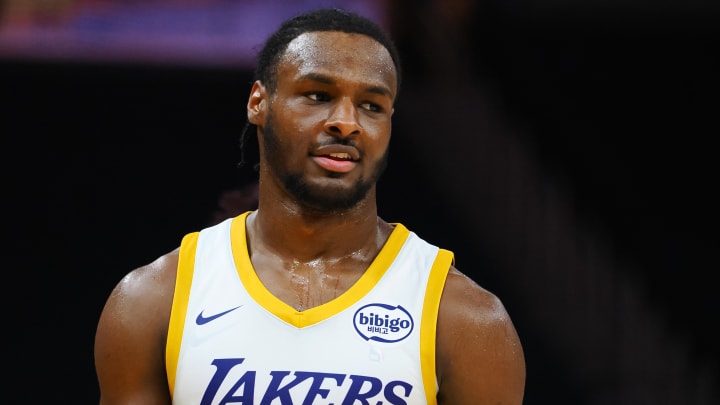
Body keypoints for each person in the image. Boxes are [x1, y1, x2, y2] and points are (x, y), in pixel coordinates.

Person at [94, 7, 526, 405]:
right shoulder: (155, 300)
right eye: (318, 95)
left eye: (371, 106)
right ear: (258, 102)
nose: (347, 122)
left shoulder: (466, 319)